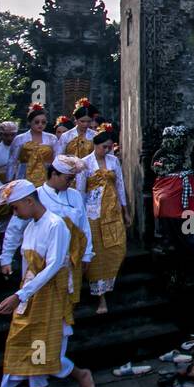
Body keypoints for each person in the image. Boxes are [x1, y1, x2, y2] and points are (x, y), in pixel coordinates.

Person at [0, 179, 97, 387]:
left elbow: (52, 267)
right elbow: (28, 265)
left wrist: (20, 295)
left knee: (44, 351)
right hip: (30, 296)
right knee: (25, 353)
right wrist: (21, 289)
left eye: (16, 208)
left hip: (49, 297)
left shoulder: (55, 225)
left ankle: (80, 374)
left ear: (29, 201)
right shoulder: (30, 227)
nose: (15, 214)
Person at [2, 155, 94, 310]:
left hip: (73, 254)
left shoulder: (75, 195)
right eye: (68, 178)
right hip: (43, 257)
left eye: (72, 179)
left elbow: (84, 227)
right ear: (54, 174)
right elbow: (15, 228)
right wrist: (6, 257)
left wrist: (87, 254)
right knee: (44, 300)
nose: (70, 182)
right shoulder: (35, 197)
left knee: (68, 297)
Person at [78, 126, 128, 315]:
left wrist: (126, 209)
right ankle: (101, 297)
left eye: (110, 147)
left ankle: (111, 283)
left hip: (112, 210)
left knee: (117, 247)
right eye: (104, 147)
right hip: (93, 213)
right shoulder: (85, 164)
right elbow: (81, 192)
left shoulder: (114, 161)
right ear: (95, 146)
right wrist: (80, 217)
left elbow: (120, 186)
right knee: (97, 254)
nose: (107, 150)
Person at [11, 104, 56, 187]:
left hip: (46, 177)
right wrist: (9, 181)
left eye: (43, 122)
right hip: (24, 177)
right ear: (29, 122)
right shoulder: (20, 139)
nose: (40, 125)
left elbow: (56, 159)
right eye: (37, 122)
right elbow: (12, 161)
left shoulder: (52, 138)